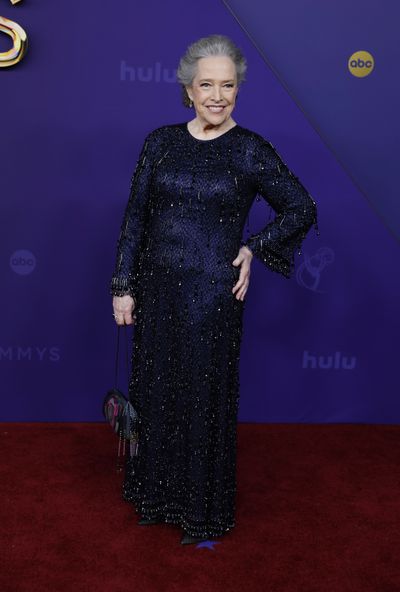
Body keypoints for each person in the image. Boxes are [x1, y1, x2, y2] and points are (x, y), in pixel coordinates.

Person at [110, 34, 318, 546]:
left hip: (212, 298)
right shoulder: (159, 142)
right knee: (155, 394)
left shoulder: (249, 149)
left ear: (238, 89)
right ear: (188, 89)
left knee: (204, 400)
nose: (218, 95)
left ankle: (201, 510)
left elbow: (301, 207)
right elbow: (135, 219)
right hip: (156, 294)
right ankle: (156, 497)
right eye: (207, 84)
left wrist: (253, 247)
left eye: (228, 85)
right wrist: (123, 286)